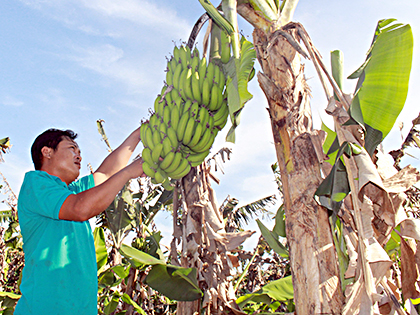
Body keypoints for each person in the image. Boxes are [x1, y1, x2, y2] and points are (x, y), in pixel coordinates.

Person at [15, 127, 144, 315]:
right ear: (47, 152)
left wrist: (138, 134)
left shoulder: (73, 191)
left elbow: (107, 174)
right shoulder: (36, 183)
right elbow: (79, 209)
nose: (79, 156)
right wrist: (127, 173)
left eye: (79, 152)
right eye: (72, 148)